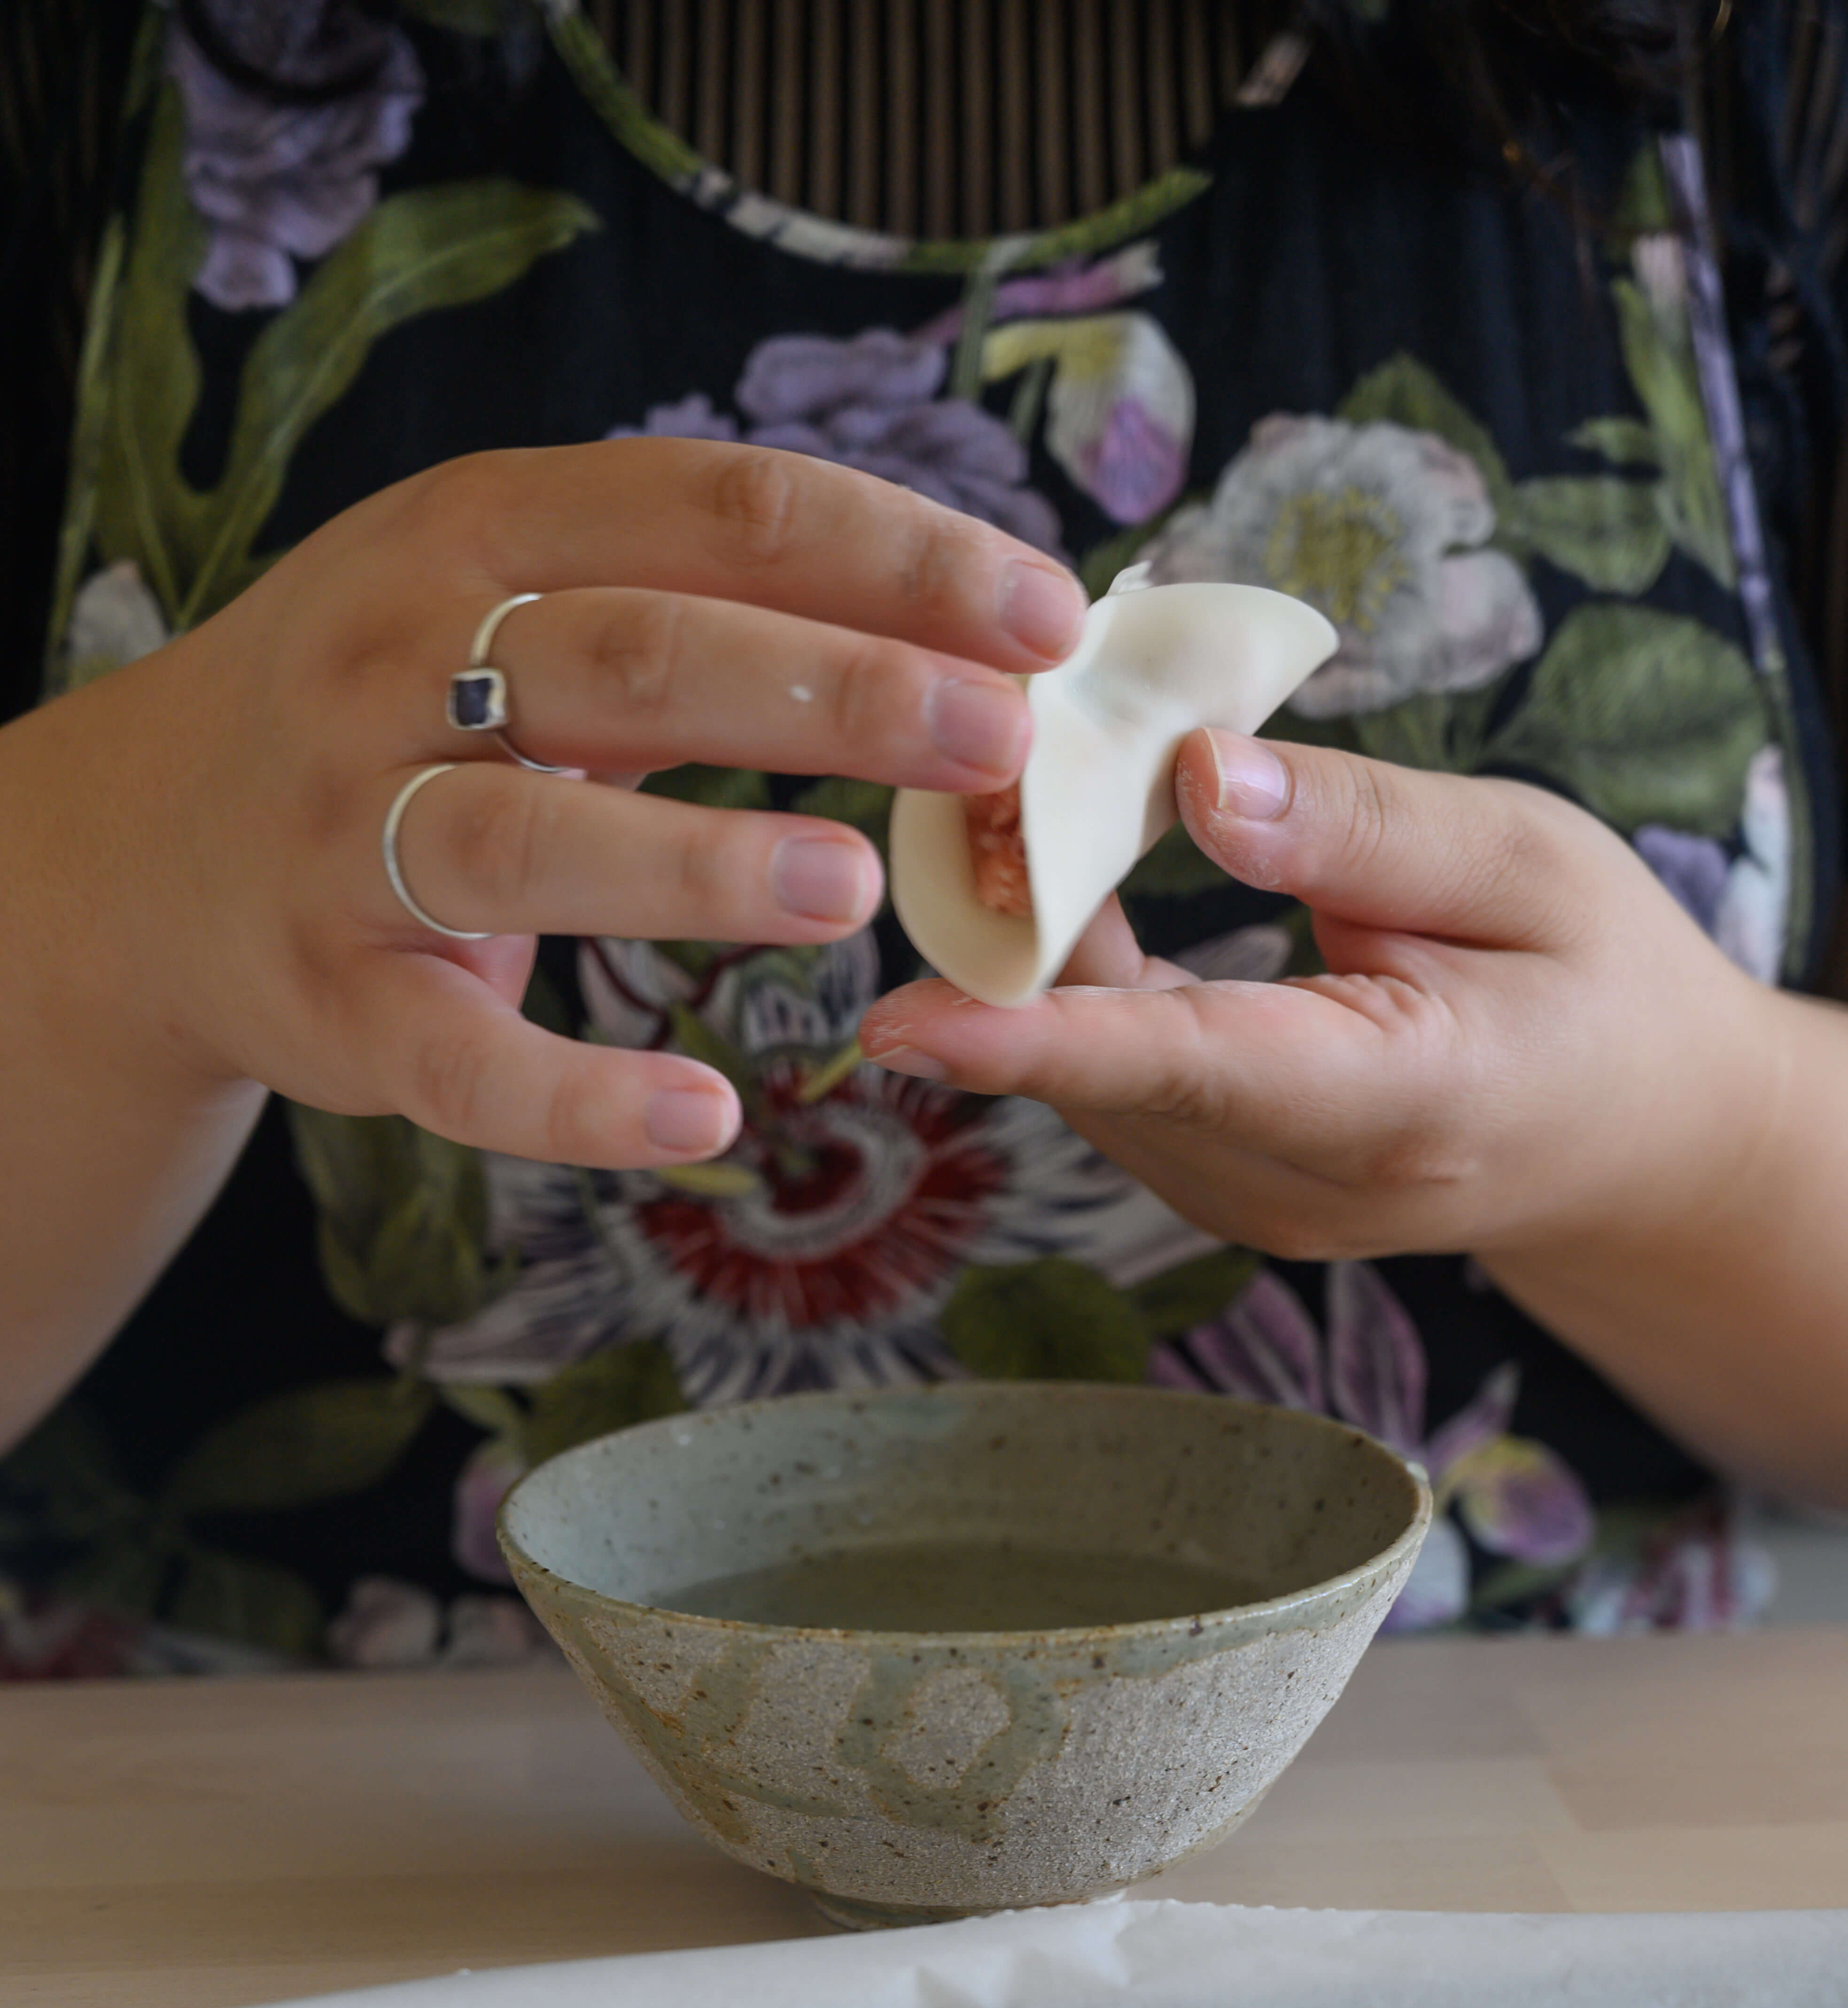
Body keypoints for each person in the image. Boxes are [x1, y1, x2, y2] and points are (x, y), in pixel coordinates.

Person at [1, 0, 1845, 1676]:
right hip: (281, 1886)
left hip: (1492, 1872)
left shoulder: (1752, 58)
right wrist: (110, 907)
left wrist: (1700, 1140)